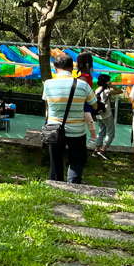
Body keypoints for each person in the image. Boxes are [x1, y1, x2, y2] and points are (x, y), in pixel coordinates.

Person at [42, 54, 97, 184]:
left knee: (56, 161)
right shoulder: (83, 85)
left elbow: (47, 103)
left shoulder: (48, 84)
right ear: (72, 67)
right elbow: (94, 104)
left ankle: (56, 185)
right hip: (77, 131)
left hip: (54, 129)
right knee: (77, 160)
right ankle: (73, 186)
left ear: (55, 68)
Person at [91, 74, 122, 160]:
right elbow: (120, 91)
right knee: (111, 133)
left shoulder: (97, 90)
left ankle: (96, 150)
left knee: (101, 132)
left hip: (99, 115)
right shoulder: (106, 91)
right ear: (107, 82)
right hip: (107, 114)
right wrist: (111, 86)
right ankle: (103, 150)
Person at [76, 53, 97, 143]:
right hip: (86, 98)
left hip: (84, 99)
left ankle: (93, 135)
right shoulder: (87, 76)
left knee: (87, 114)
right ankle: (93, 135)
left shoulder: (83, 78)